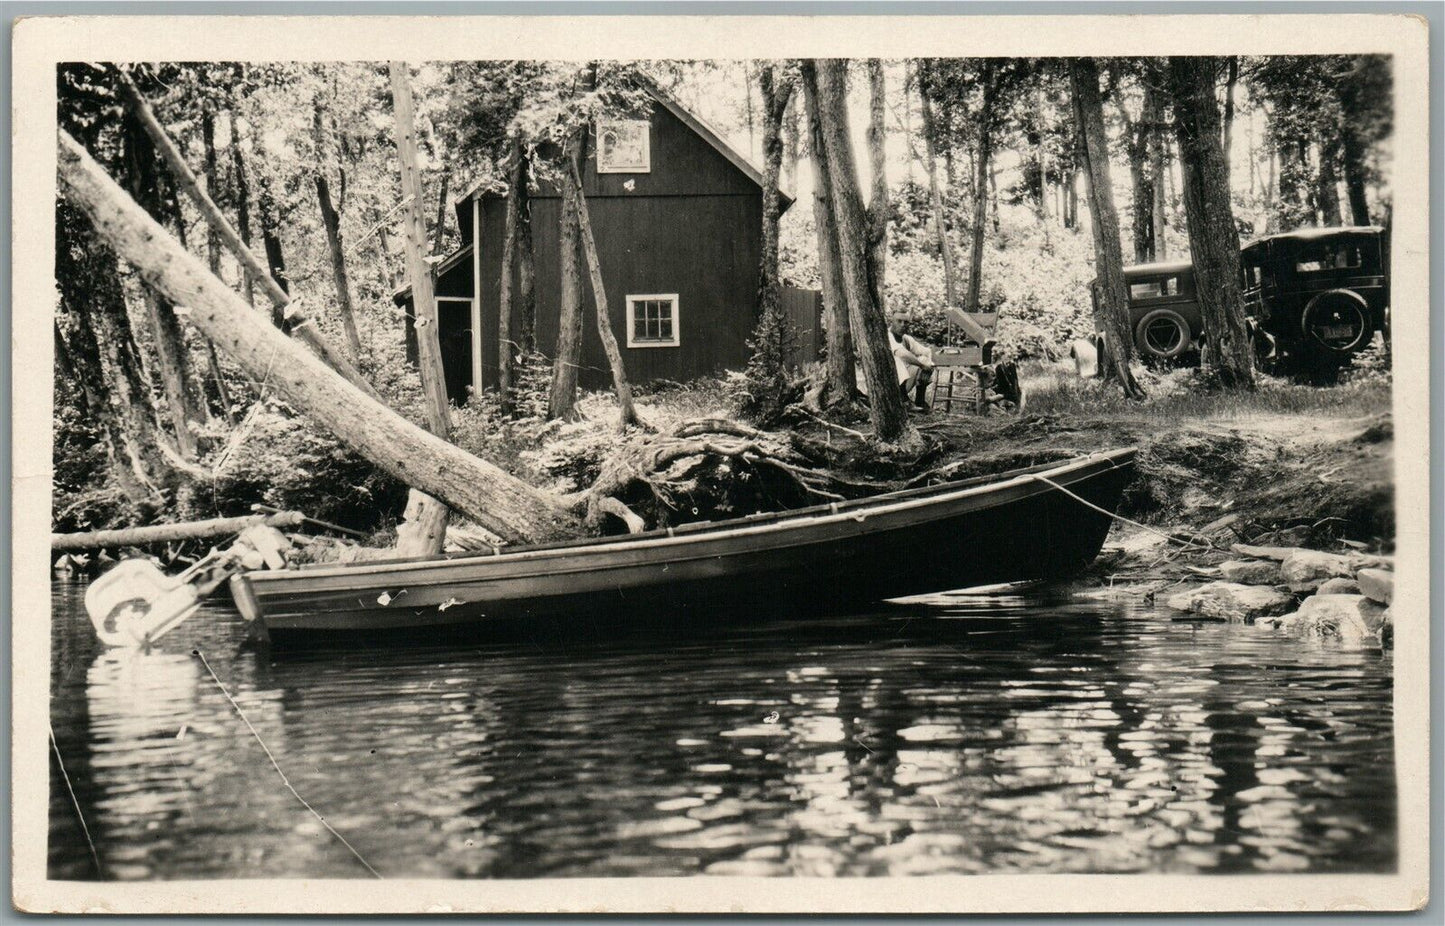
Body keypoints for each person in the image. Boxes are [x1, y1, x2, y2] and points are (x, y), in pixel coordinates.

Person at [887, 314, 936, 411]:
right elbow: (902, 354)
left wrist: (929, 365)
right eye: (899, 321)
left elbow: (927, 351)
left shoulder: (906, 339)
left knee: (925, 360)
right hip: (887, 384)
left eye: (906, 322)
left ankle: (920, 400)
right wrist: (922, 366)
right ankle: (904, 401)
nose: (902, 325)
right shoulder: (887, 336)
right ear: (892, 322)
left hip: (902, 383)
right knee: (899, 360)